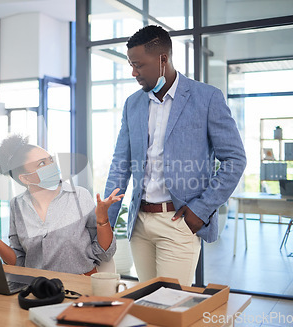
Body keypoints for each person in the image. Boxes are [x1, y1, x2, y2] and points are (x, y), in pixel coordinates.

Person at [104, 25, 246, 285]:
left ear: (163, 59)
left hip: (178, 221)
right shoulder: (133, 104)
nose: (133, 72)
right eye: (130, 65)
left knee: (171, 307)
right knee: (147, 303)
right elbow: (120, 165)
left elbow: (235, 159)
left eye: (139, 65)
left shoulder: (207, 98)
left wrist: (200, 210)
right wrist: (106, 221)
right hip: (139, 223)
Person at [0, 134, 122, 275]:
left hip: (80, 285)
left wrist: (103, 219)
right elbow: (19, 262)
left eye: (51, 160)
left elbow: (104, 253)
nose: (51, 166)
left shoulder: (79, 195)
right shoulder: (17, 205)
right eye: (41, 164)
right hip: (38, 287)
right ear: (25, 179)